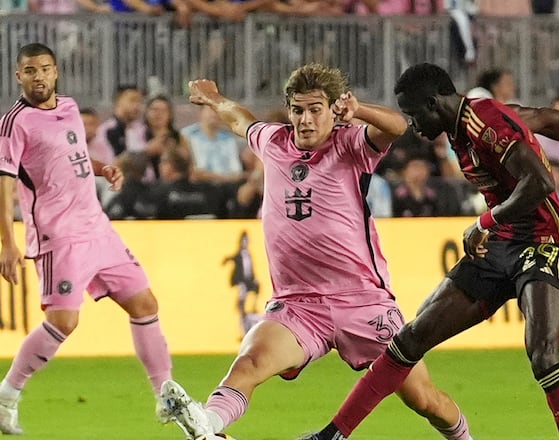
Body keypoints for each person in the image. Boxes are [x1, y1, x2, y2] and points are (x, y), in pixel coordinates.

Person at [301, 62, 559, 440]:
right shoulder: (467, 124)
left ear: (435, 102)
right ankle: (332, 436)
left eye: (414, 113)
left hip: (545, 242)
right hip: (500, 244)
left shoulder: (484, 121)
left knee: (544, 355)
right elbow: (545, 118)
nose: (414, 125)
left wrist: (485, 222)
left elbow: (539, 180)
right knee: (409, 339)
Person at [157, 63, 476, 440]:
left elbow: (396, 126)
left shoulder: (351, 144)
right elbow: (241, 121)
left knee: (424, 399)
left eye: (314, 109)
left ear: (332, 110)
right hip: (299, 304)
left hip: (362, 301)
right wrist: (215, 100)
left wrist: (357, 111)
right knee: (249, 363)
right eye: (297, 110)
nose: (305, 120)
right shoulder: (274, 142)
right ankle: (206, 426)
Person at [0, 43, 173, 435]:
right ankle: (6, 395)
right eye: (30, 70)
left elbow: (69, 158)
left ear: (56, 71)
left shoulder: (70, 107)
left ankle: (166, 395)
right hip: (57, 235)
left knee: (145, 303)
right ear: (19, 76)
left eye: (45, 68)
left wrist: (102, 168)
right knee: (63, 321)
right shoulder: (15, 123)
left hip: (96, 227)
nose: (39, 76)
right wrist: (7, 242)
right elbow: (5, 182)